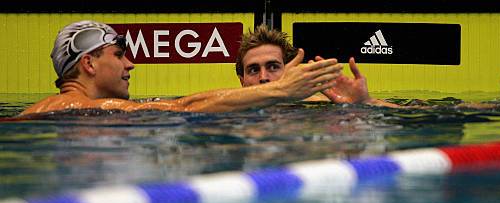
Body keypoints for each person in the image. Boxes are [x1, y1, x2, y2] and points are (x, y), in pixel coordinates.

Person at [19, 21, 343, 116]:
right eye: (119, 54)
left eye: (274, 68)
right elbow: (182, 107)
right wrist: (279, 90)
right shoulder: (68, 108)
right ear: (88, 63)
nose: (130, 62)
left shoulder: (83, 112)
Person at [235, 24, 401, 108]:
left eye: (273, 67)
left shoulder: (316, 105)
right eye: (253, 70)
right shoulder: (228, 109)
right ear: (243, 81)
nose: (263, 78)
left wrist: (366, 103)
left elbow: (414, 114)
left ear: (292, 71)